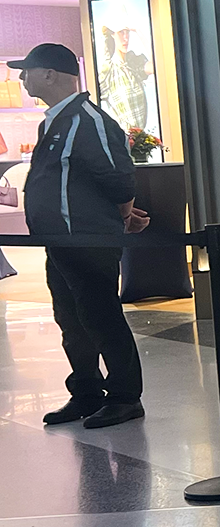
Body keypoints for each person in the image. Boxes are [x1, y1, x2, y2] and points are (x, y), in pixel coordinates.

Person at [12, 44, 149, 428]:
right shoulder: (51, 121)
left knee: (100, 316)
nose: (23, 78)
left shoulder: (88, 120)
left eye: (28, 71)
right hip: (60, 243)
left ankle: (125, 397)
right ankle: (86, 392)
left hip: (88, 241)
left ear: (51, 74)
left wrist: (124, 215)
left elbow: (118, 175)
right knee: (70, 318)